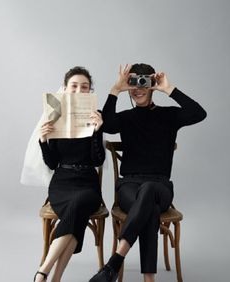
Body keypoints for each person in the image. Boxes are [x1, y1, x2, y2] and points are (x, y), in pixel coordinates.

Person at [89, 63, 207, 282]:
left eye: (144, 81)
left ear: (152, 84)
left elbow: (199, 113)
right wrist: (116, 89)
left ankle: (113, 263)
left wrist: (169, 89)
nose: (138, 87)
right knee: (149, 207)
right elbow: (106, 124)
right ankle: (149, 279)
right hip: (129, 187)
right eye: (133, 82)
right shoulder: (125, 118)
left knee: (150, 191)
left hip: (160, 185)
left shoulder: (169, 115)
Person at [33, 66, 105, 282]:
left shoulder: (95, 116)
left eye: (84, 87)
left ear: (89, 91)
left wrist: (97, 131)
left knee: (79, 205)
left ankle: (42, 271)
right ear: (65, 89)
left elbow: (98, 160)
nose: (79, 90)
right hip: (61, 183)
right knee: (77, 214)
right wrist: (44, 141)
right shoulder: (54, 114)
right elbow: (52, 163)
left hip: (87, 184)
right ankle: (54, 278)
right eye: (74, 86)